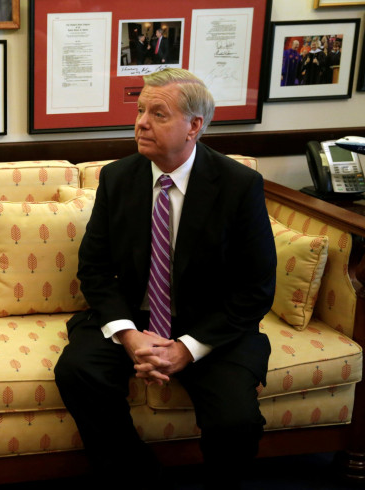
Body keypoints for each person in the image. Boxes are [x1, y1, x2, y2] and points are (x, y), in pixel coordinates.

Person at [54, 68, 276, 490]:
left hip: (210, 328)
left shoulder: (238, 185)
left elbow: (256, 287)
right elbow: (95, 268)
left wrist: (187, 350)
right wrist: (130, 336)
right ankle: (136, 476)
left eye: (158, 113)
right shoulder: (119, 178)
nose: (140, 122)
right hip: (135, 318)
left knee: (237, 422)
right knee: (77, 371)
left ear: (194, 126)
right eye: (139, 110)